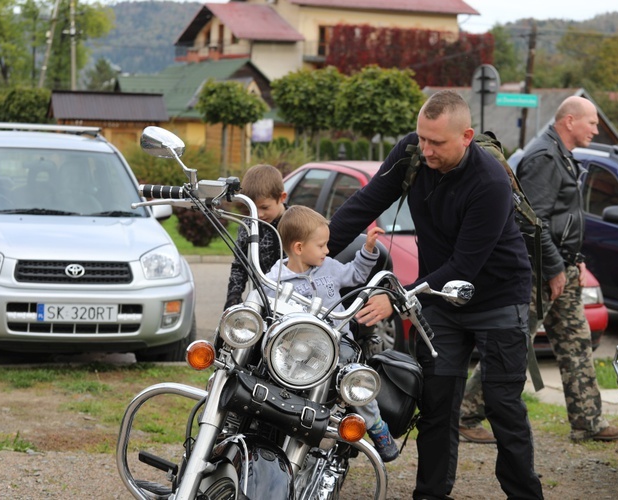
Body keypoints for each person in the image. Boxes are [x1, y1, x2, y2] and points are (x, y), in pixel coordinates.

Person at [327, 90, 543, 499]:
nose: (425, 150)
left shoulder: (490, 182)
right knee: (437, 404)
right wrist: (312, 255)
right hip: (440, 301)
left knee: (502, 407)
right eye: (422, 137)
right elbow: (363, 204)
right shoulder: (412, 153)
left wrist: (397, 296)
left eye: (437, 142)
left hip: (497, 298)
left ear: (466, 136)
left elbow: (464, 265)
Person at [459, 96, 618, 444]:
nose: (597, 130)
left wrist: (575, 259)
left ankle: (588, 422)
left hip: (561, 268)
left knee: (576, 342)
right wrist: (554, 268)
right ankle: (464, 415)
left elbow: (563, 220)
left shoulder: (562, 156)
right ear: (569, 121)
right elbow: (530, 221)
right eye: (592, 123)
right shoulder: (544, 157)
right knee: (512, 343)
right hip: (538, 271)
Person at [264, 205, 398, 462]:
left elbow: (356, 274)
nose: (327, 250)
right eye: (322, 245)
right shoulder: (275, 279)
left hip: (339, 345)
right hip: (297, 351)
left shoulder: (329, 268)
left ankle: (377, 425)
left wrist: (368, 249)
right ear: (299, 248)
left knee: (356, 381)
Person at [224, 164, 287, 310]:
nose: (258, 214)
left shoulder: (295, 224)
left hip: (294, 299)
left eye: (264, 207)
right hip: (260, 300)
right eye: (251, 207)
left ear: (282, 197)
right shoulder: (248, 226)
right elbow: (240, 265)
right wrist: (233, 296)